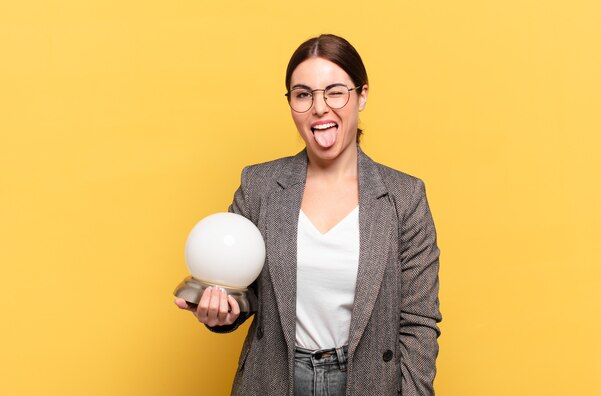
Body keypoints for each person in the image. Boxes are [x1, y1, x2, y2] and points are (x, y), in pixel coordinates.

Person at [175, 33, 441, 396]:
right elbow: (238, 292)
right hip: (274, 379)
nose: (319, 108)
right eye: (303, 94)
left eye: (335, 91)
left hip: (367, 382)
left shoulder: (405, 197)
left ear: (361, 95)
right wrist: (219, 312)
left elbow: (419, 321)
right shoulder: (259, 185)